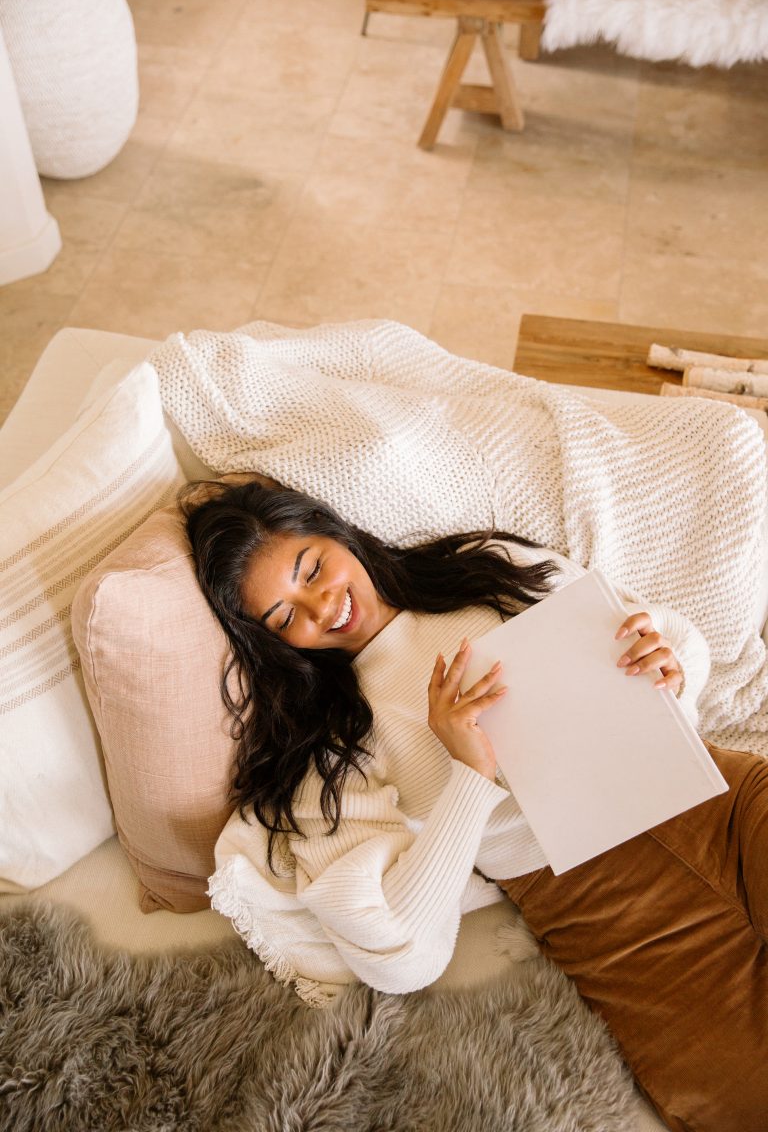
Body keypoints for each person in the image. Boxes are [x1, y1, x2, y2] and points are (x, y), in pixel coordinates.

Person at [183, 477, 767, 1132]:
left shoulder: (485, 569)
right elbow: (398, 957)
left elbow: (669, 635)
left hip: (717, 799)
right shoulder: (333, 748)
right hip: (611, 919)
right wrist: (469, 772)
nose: (321, 607)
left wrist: (666, 670)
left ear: (333, 529)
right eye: (286, 617)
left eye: (312, 568)